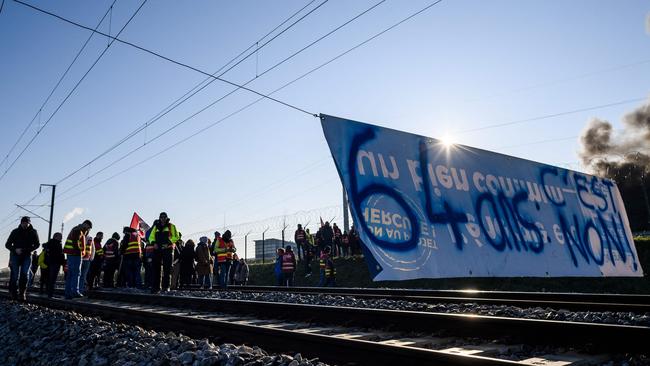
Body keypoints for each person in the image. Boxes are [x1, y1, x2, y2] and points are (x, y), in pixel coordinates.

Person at [5, 217, 40, 301]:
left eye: (27, 223)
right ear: (21, 223)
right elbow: (7, 244)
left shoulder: (33, 232)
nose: (25, 224)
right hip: (15, 255)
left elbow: (37, 244)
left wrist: (28, 250)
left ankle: (22, 293)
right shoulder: (15, 232)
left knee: (25, 274)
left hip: (27, 255)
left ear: (29, 223)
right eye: (23, 223)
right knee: (15, 275)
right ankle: (13, 293)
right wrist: (15, 249)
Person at [148, 212, 179, 293]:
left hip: (168, 249)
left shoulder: (171, 226)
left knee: (167, 269)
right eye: (161, 217)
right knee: (156, 268)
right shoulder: (156, 226)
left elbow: (176, 236)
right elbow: (151, 236)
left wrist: (168, 243)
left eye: (164, 217)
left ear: (166, 218)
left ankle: (166, 287)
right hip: (157, 249)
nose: (163, 218)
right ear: (159, 218)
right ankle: (156, 287)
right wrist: (153, 243)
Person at [63, 219, 92, 299]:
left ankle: (68, 293)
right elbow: (76, 243)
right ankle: (75, 292)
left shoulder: (76, 229)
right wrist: (79, 251)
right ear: (86, 225)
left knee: (71, 274)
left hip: (71, 254)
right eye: (88, 227)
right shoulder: (79, 231)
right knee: (76, 273)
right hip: (75, 254)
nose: (88, 229)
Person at [44, 232, 65, 298]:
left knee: (51, 279)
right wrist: (62, 261)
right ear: (56, 236)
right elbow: (58, 254)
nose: (61, 238)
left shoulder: (54, 243)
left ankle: (50, 293)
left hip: (54, 263)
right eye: (60, 236)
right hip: (54, 263)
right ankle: (50, 294)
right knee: (52, 279)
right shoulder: (55, 244)